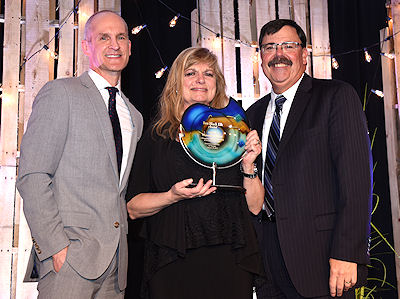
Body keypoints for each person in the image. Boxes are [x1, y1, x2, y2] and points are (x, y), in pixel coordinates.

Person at [16, 10, 143, 299]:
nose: (114, 45)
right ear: (86, 46)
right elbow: (33, 176)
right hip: (69, 261)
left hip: (115, 267)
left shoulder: (133, 115)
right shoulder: (61, 93)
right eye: (104, 37)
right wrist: (56, 247)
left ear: (130, 47)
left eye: (121, 37)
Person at [246, 19, 372, 299]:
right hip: (266, 262)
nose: (278, 54)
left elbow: (355, 181)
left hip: (321, 259)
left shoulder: (335, 97)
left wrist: (347, 253)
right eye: (269, 47)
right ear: (261, 57)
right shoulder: (252, 114)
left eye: (288, 46)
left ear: (305, 55)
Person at [126, 47, 264, 299]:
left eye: (208, 74)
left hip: (230, 259)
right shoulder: (156, 138)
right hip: (174, 259)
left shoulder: (235, 137)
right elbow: (133, 208)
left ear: (216, 85)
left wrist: (248, 165)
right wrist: (171, 196)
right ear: (177, 83)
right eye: (191, 72)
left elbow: (255, 207)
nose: (200, 79)